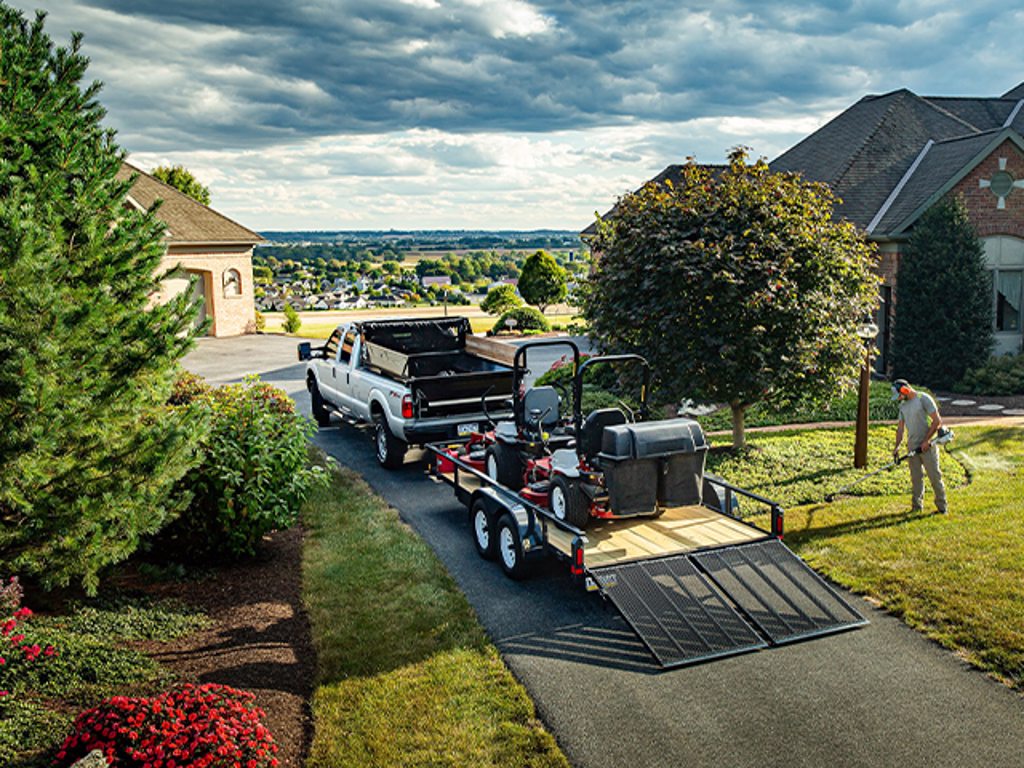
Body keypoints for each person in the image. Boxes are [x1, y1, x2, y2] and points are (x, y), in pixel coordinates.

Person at [892, 378, 948, 514]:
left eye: (899, 395)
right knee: (916, 479)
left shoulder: (923, 399)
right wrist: (897, 446)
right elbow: (900, 429)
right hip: (912, 446)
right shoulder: (903, 406)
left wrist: (926, 441)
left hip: (927, 445)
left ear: (905, 389)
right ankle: (916, 507)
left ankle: (942, 507)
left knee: (935, 477)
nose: (899, 398)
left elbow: (937, 421)